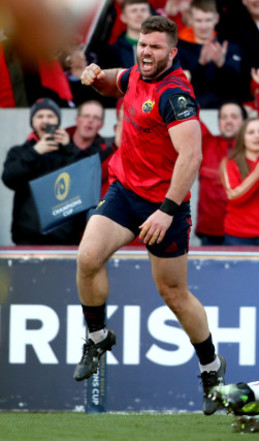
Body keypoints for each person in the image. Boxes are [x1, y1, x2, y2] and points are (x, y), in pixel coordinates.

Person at [73, 15, 225, 416]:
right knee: (88, 258)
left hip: (166, 205)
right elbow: (113, 80)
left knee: (172, 294)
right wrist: (93, 74)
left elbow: (192, 157)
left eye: (155, 47)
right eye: (143, 44)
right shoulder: (139, 74)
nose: (146, 52)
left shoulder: (174, 94)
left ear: (172, 53)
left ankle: (211, 368)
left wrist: (166, 211)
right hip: (125, 190)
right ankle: (98, 336)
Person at [2, 98, 86, 245]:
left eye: (50, 116)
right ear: (32, 122)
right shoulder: (19, 152)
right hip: (27, 237)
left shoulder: (69, 151)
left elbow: (83, 181)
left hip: (65, 239)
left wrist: (69, 148)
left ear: (57, 121)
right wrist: (35, 152)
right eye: (40, 116)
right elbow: (9, 179)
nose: (45, 121)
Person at [220, 117, 259, 246]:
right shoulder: (230, 163)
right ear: (242, 138)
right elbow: (234, 196)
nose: (257, 136)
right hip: (238, 235)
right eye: (251, 132)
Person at [175, 0, 246, 109]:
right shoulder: (179, 50)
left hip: (226, 113)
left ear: (216, 19)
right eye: (199, 20)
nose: (204, 26)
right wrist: (201, 64)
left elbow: (239, 86)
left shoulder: (229, 48)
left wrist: (221, 64)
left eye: (208, 20)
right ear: (190, 20)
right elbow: (179, 88)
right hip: (193, 112)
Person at [195, 101, 246, 245]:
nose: (228, 121)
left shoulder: (254, 148)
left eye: (234, 117)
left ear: (244, 122)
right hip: (210, 234)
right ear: (218, 123)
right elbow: (190, 115)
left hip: (242, 233)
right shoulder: (206, 144)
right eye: (224, 117)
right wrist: (180, 84)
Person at [106, 0, 152, 68]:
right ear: (123, 17)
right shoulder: (111, 53)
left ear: (150, 16)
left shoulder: (163, 47)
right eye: (134, 10)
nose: (139, 15)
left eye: (143, 10)